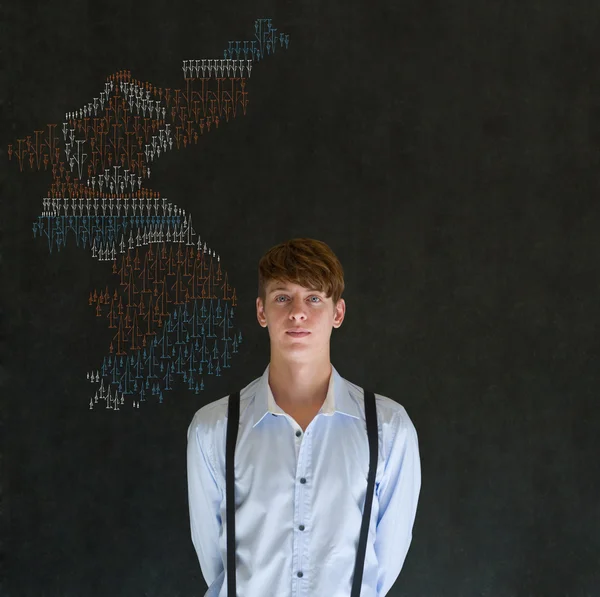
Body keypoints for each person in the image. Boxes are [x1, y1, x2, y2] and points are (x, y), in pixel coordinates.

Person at [186, 237, 421, 596]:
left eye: (314, 298)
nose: (298, 312)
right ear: (261, 311)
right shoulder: (214, 428)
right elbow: (215, 564)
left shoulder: (388, 428)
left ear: (337, 313)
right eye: (283, 297)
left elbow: (384, 565)